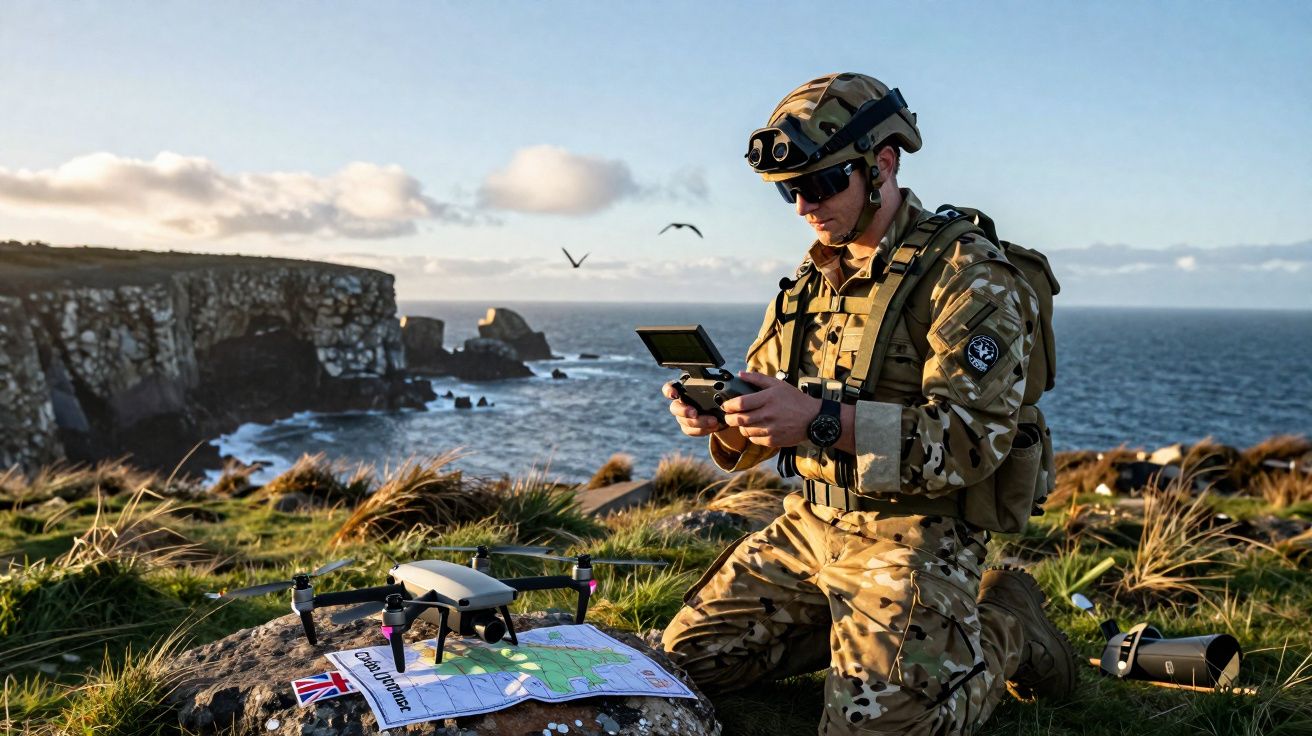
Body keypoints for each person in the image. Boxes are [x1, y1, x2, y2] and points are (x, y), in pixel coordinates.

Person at [660, 73, 1076, 735]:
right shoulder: (808, 282)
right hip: (810, 527)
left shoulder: (969, 275)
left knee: (871, 728)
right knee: (677, 667)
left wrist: (822, 421)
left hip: (917, 535)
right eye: (790, 191)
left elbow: (974, 442)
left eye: (821, 184)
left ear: (882, 166)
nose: (803, 206)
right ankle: (852, 628)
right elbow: (773, 401)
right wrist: (728, 420)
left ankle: (1008, 630)